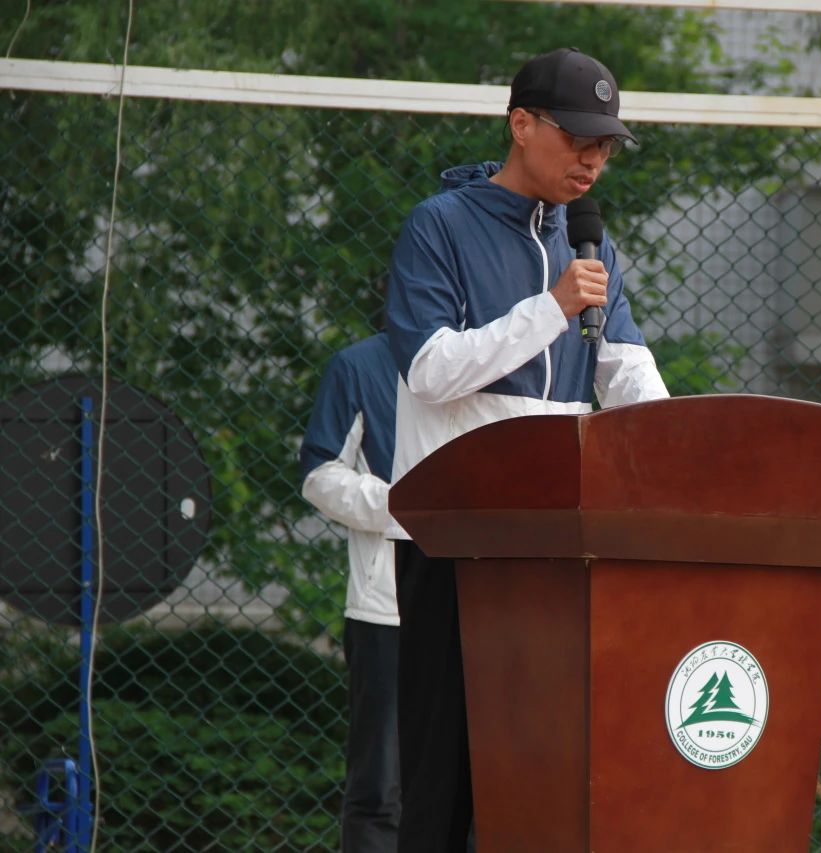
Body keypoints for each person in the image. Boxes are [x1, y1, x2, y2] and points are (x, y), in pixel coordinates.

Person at [383, 47, 669, 852]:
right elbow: (429, 368)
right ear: (520, 124)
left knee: (542, 765)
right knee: (443, 773)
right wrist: (550, 308)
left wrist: (686, 452)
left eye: (605, 145)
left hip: (556, 538)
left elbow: (627, 370)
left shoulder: (593, 245)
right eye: (577, 138)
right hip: (452, 534)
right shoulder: (439, 224)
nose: (593, 160)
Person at [300, 331, 401, 853]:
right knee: (380, 788)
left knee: (479, 784)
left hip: (487, 607)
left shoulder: (502, 357)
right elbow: (319, 475)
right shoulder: (359, 366)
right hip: (388, 612)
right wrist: (408, 505)